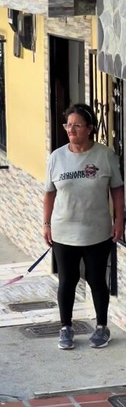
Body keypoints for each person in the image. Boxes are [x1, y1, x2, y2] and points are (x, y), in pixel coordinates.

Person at [43, 103, 124, 350]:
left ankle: (102, 327)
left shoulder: (105, 156)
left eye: (77, 125)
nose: (71, 129)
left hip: (97, 231)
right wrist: (46, 224)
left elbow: (117, 190)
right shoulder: (57, 157)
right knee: (66, 280)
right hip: (63, 231)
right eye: (68, 125)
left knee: (96, 279)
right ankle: (65, 328)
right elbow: (49, 194)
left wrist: (119, 220)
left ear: (89, 128)